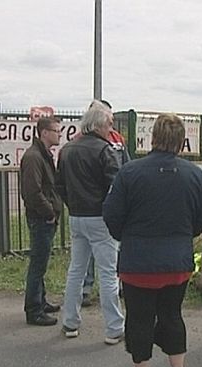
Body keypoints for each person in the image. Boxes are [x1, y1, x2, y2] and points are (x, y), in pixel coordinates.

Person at [103, 113, 202, 367]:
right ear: (181, 142)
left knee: (139, 318)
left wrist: (124, 237)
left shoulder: (130, 172)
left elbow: (111, 214)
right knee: (172, 315)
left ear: (152, 138)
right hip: (177, 262)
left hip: (138, 263)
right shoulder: (193, 174)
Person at [56, 100, 125, 343]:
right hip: (100, 218)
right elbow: (116, 187)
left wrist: (72, 205)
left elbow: (60, 186)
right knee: (107, 273)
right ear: (98, 124)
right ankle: (115, 327)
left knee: (76, 270)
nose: (111, 128)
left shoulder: (67, 150)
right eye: (109, 123)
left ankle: (70, 322)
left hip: (76, 216)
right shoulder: (105, 150)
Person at [81, 99, 131, 308]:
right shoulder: (82, 140)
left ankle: (117, 285)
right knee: (88, 255)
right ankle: (86, 288)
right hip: (92, 204)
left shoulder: (117, 138)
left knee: (114, 248)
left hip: (113, 200)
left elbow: (126, 164)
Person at [19, 117, 63, 326]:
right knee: (38, 264)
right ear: (44, 132)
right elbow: (32, 192)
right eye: (56, 131)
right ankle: (33, 309)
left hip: (44, 217)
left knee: (41, 262)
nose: (59, 134)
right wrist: (49, 213)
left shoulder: (42, 155)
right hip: (41, 219)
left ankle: (41, 301)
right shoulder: (34, 157)